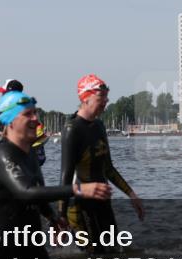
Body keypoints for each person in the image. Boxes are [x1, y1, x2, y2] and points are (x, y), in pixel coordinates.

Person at [0, 89, 110, 259]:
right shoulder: (1, 155)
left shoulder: (30, 153)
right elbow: (25, 192)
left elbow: (38, 193)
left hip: (31, 245)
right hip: (0, 252)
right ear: (10, 121)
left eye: (36, 113)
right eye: (28, 114)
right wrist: (78, 189)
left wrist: (55, 218)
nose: (36, 119)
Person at [60, 75, 145, 244]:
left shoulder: (99, 126)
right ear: (86, 98)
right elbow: (66, 175)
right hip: (79, 204)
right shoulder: (72, 129)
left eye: (107, 96)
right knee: (93, 256)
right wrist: (60, 217)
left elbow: (108, 168)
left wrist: (131, 194)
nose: (106, 101)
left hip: (102, 200)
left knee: (114, 251)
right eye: (101, 97)